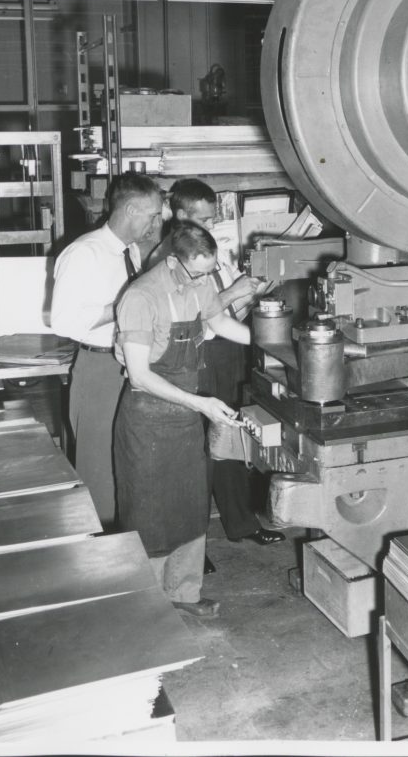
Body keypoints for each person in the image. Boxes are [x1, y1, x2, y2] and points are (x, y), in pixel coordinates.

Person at [114, 224, 251, 619]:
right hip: (148, 421)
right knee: (150, 514)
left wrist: (274, 339)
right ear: (173, 261)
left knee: (191, 508)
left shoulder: (199, 281)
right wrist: (202, 404)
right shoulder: (141, 297)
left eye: (210, 273)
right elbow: (140, 376)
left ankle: (184, 593)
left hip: (186, 416)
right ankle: (148, 608)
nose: (207, 281)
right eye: (198, 273)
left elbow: (220, 323)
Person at [148, 178, 285, 547]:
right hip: (197, 357)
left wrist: (250, 296)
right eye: (204, 220)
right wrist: (233, 292)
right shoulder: (167, 258)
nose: (211, 227)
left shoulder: (210, 249)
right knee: (198, 452)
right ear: (180, 216)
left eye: (212, 219)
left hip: (227, 350)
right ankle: (190, 541)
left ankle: (241, 522)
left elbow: (223, 314)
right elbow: (196, 316)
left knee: (232, 437)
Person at [51, 172, 163, 525]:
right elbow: (63, 322)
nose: (157, 223)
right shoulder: (84, 253)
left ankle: (125, 547)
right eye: (153, 214)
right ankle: (100, 557)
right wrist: (119, 307)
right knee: (99, 469)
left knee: (126, 462)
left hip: (128, 366)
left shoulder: (129, 251)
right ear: (131, 209)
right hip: (99, 370)